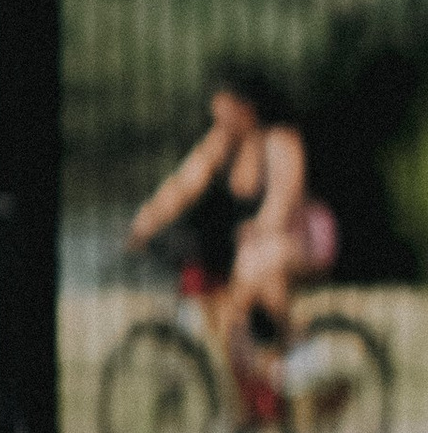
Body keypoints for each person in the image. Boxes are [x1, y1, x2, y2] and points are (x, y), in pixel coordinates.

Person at [125, 59, 338, 366]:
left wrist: (261, 226)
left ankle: (306, 356)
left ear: (246, 109)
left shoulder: (279, 139)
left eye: (224, 111)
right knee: (243, 291)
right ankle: (255, 388)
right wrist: (147, 219)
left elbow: (283, 197)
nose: (217, 119)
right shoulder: (222, 142)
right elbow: (184, 184)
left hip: (301, 237)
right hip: (254, 246)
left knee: (253, 271)